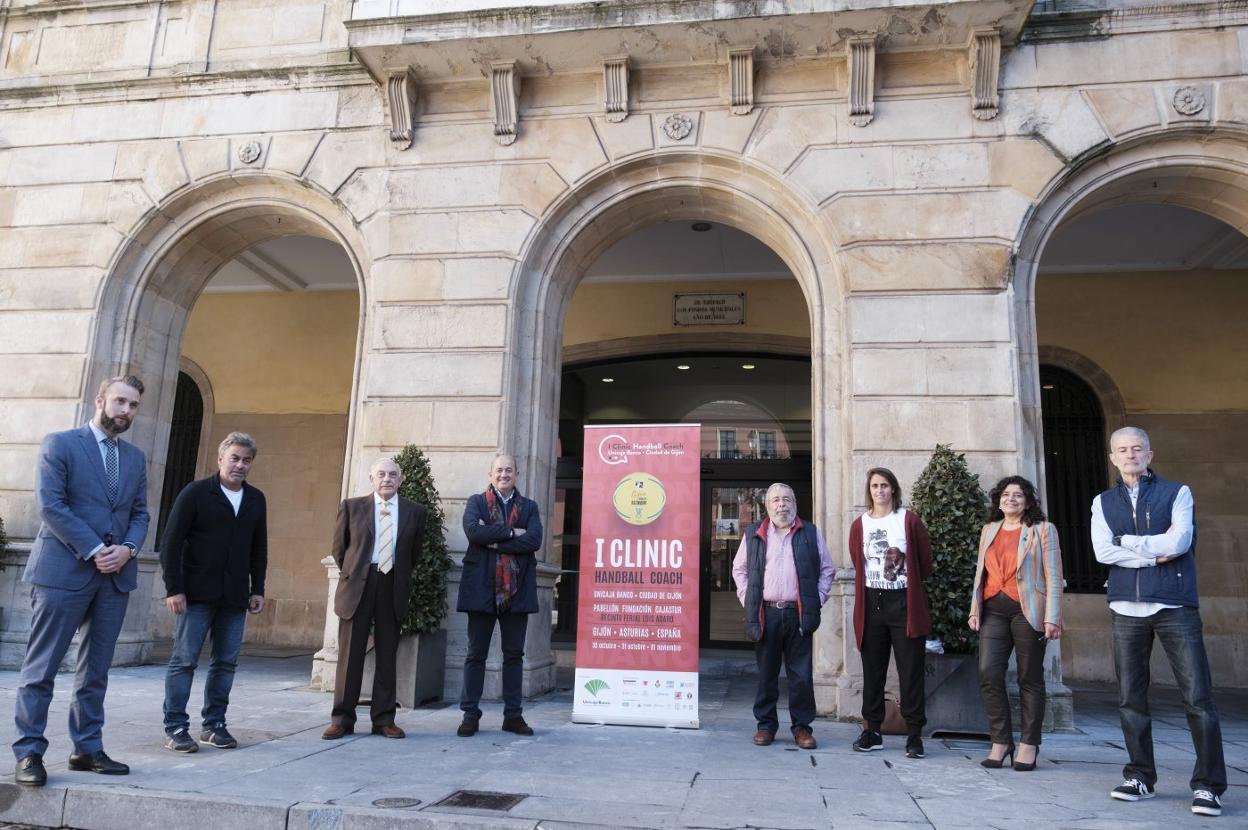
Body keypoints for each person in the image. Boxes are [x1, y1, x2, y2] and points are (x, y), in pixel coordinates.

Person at [13, 376, 150, 787]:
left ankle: (87, 748)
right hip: (63, 572)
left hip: (114, 578)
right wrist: (95, 549)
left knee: (96, 670)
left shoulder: (136, 457)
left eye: (133, 405)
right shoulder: (61, 444)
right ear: (100, 399)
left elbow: (141, 513)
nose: (126, 411)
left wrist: (127, 549)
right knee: (42, 668)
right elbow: (51, 505)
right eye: (120, 401)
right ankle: (29, 752)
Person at [1093, 427, 1225, 817]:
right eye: (1122, 449)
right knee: (1131, 698)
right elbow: (1103, 551)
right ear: (1112, 457)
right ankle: (1139, 776)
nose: (1130, 454)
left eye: (1137, 448)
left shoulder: (1177, 493)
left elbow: (1180, 542)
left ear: (1150, 454)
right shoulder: (1102, 501)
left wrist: (1128, 543)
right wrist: (1151, 552)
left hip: (1174, 605)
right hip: (1125, 608)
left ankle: (1208, 786)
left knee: (1198, 698)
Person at [159, 432, 267, 753]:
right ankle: (176, 726)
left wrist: (257, 588)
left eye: (246, 460)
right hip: (195, 594)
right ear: (220, 459)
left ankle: (214, 724)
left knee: (226, 663)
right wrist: (174, 588)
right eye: (234, 458)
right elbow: (171, 542)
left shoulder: (255, 499)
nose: (240, 465)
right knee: (184, 660)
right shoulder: (195, 493)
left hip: (234, 597)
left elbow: (258, 548)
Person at [322, 457, 426, 740]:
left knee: (387, 654)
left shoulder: (415, 512)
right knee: (350, 656)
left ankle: (384, 719)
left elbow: (413, 554)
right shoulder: (353, 507)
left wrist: (392, 573)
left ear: (401, 480)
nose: (387, 479)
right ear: (371, 478)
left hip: (392, 585)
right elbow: (340, 550)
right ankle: (342, 719)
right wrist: (358, 573)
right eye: (381, 474)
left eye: (393, 474)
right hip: (358, 586)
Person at [968, 476, 1063, 771]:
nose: (1011, 499)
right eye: (1006, 495)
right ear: (998, 500)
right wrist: (974, 609)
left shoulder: (1043, 530)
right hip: (993, 609)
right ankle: (1001, 741)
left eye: (1018, 495)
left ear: (1028, 501)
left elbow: (1054, 576)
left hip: (1028, 610)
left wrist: (1053, 617)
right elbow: (979, 574)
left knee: (1029, 677)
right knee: (988, 672)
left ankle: (1029, 744)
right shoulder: (989, 530)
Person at [731, 483, 835, 750]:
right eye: (776, 500)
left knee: (800, 676)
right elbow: (739, 570)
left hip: (797, 613)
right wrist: (749, 600)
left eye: (786, 499)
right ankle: (765, 726)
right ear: (767, 505)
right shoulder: (754, 532)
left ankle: (802, 728)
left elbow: (827, 570)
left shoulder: (810, 532)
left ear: (795, 503)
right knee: (766, 674)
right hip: (766, 614)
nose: (782, 504)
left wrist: (817, 600)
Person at [848, 467, 933, 759]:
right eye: (874, 486)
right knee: (873, 670)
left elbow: (925, 559)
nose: (880, 490)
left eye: (885, 485)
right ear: (869, 490)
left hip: (904, 602)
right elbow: (859, 562)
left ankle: (914, 735)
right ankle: (872, 730)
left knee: (910, 671)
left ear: (893, 489)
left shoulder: (907, 520)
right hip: (872, 602)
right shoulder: (860, 524)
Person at [455, 453, 543, 737]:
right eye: (499, 470)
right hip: (481, 588)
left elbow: (535, 540)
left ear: (516, 474)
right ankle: (470, 715)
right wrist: (512, 534)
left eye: (509, 470)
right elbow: (473, 533)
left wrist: (494, 539)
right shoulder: (476, 502)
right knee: (475, 654)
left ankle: (513, 716)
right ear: (490, 474)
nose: (504, 474)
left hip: (516, 592)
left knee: (514, 655)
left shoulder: (529, 507)